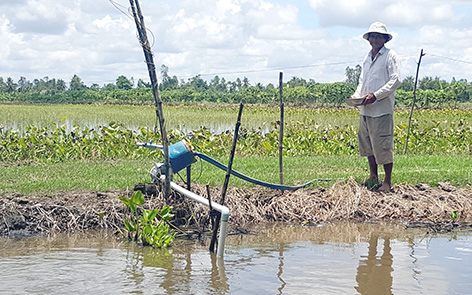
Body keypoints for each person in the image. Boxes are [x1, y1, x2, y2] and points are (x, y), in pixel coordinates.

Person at [352, 22, 401, 192]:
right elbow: (362, 81)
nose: (375, 39)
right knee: (368, 145)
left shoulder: (390, 56)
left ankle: (387, 182)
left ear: (385, 39)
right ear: (369, 39)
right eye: (372, 36)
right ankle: (373, 176)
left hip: (381, 110)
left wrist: (376, 96)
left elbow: (395, 81)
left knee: (383, 145)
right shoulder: (367, 57)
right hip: (365, 109)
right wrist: (357, 96)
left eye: (379, 36)